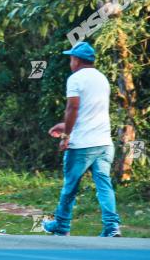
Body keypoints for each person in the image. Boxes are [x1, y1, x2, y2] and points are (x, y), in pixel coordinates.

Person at [43, 41, 122, 237]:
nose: (71, 61)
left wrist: (66, 136)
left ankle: (61, 226)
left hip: (82, 145)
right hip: (104, 143)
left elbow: (73, 108)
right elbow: (89, 111)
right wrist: (65, 125)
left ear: (76, 60)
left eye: (71, 58)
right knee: (104, 185)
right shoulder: (102, 79)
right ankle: (112, 227)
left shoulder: (76, 79)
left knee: (70, 185)